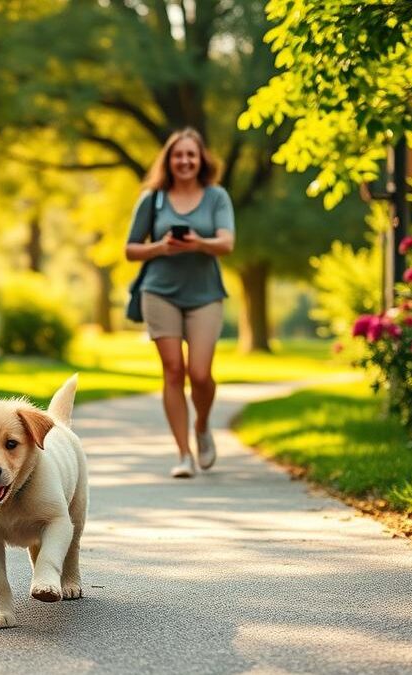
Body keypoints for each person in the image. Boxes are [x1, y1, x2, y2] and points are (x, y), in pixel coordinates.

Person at [124, 128, 235, 478]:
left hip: (205, 295)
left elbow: (227, 243)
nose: (185, 161)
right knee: (173, 370)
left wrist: (199, 242)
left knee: (199, 374)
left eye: (191, 154)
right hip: (160, 293)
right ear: (168, 160)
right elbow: (130, 249)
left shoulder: (216, 196)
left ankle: (202, 426)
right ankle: (184, 455)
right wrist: (161, 248)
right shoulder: (153, 199)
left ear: (201, 159)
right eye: (178, 155)